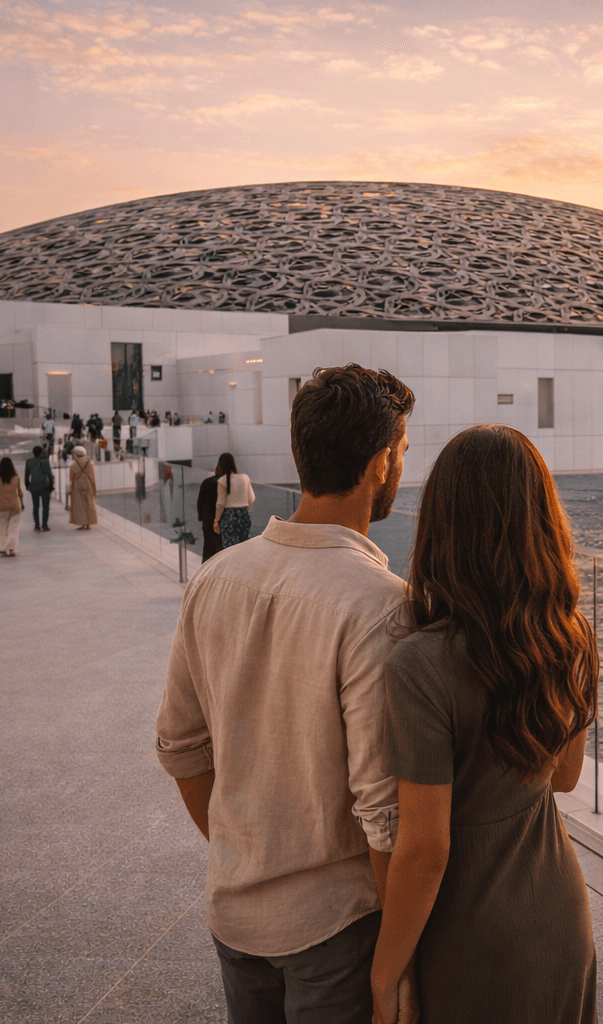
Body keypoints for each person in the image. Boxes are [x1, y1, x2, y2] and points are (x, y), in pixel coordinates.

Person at [155, 364, 417, 1024]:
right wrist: (393, 966)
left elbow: (179, 747)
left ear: (301, 454)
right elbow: (383, 810)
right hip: (337, 928)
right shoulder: (380, 606)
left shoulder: (216, 579)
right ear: (382, 462)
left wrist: (247, 850)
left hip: (234, 915)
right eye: (404, 453)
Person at [372, 424, 599, 1024]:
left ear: (442, 524)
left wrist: (383, 973)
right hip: (559, 911)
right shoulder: (568, 634)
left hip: (470, 933)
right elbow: (566, 777)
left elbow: (426, 849)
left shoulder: (418, 664)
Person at [212, 452, 256, 551]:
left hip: (229, 516)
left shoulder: (222, 480)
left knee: (229, 549)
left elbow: (220, 504)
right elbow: (251, 498)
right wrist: (247, 512)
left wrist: (216, 520)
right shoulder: (245, 478)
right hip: (244, 514)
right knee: (244, 546)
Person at [0, 456, 25, 556]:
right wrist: (22, 503)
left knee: (2, 529)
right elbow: (20, 492)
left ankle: (3, 548)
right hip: (15, 506)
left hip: (1, 506)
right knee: (14, 529)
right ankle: (12, 550)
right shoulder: (16, 477)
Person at [195, 468, 222, 563]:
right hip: (219, 520)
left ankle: (205, 569)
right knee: (219, 546)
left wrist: (201, 517)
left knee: (207, 545)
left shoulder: (206, 482)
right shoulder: (223, 483)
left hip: (207, 519)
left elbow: (200, 502)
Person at [25, 445, 55, 532]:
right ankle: (44, 525)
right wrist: (51, 486)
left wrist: (27, 485)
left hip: (34, 486)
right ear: (41, 453)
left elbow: (27, 474)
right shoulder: (45, 461)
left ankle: (37, 525)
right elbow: (49, 474)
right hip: (44, 486)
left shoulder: (29, 461)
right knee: (45, 507)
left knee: (36, 506)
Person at [68, 445, 98, 529]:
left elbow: (71, 478)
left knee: (80, 506)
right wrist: (94, 489)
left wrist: (70, 489)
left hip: (77, 486)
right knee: (89, 504)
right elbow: (92, 477)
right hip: (88, 485)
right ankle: (88, 524)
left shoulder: (73, 465)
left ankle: (82, 523)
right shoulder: (89, 463)